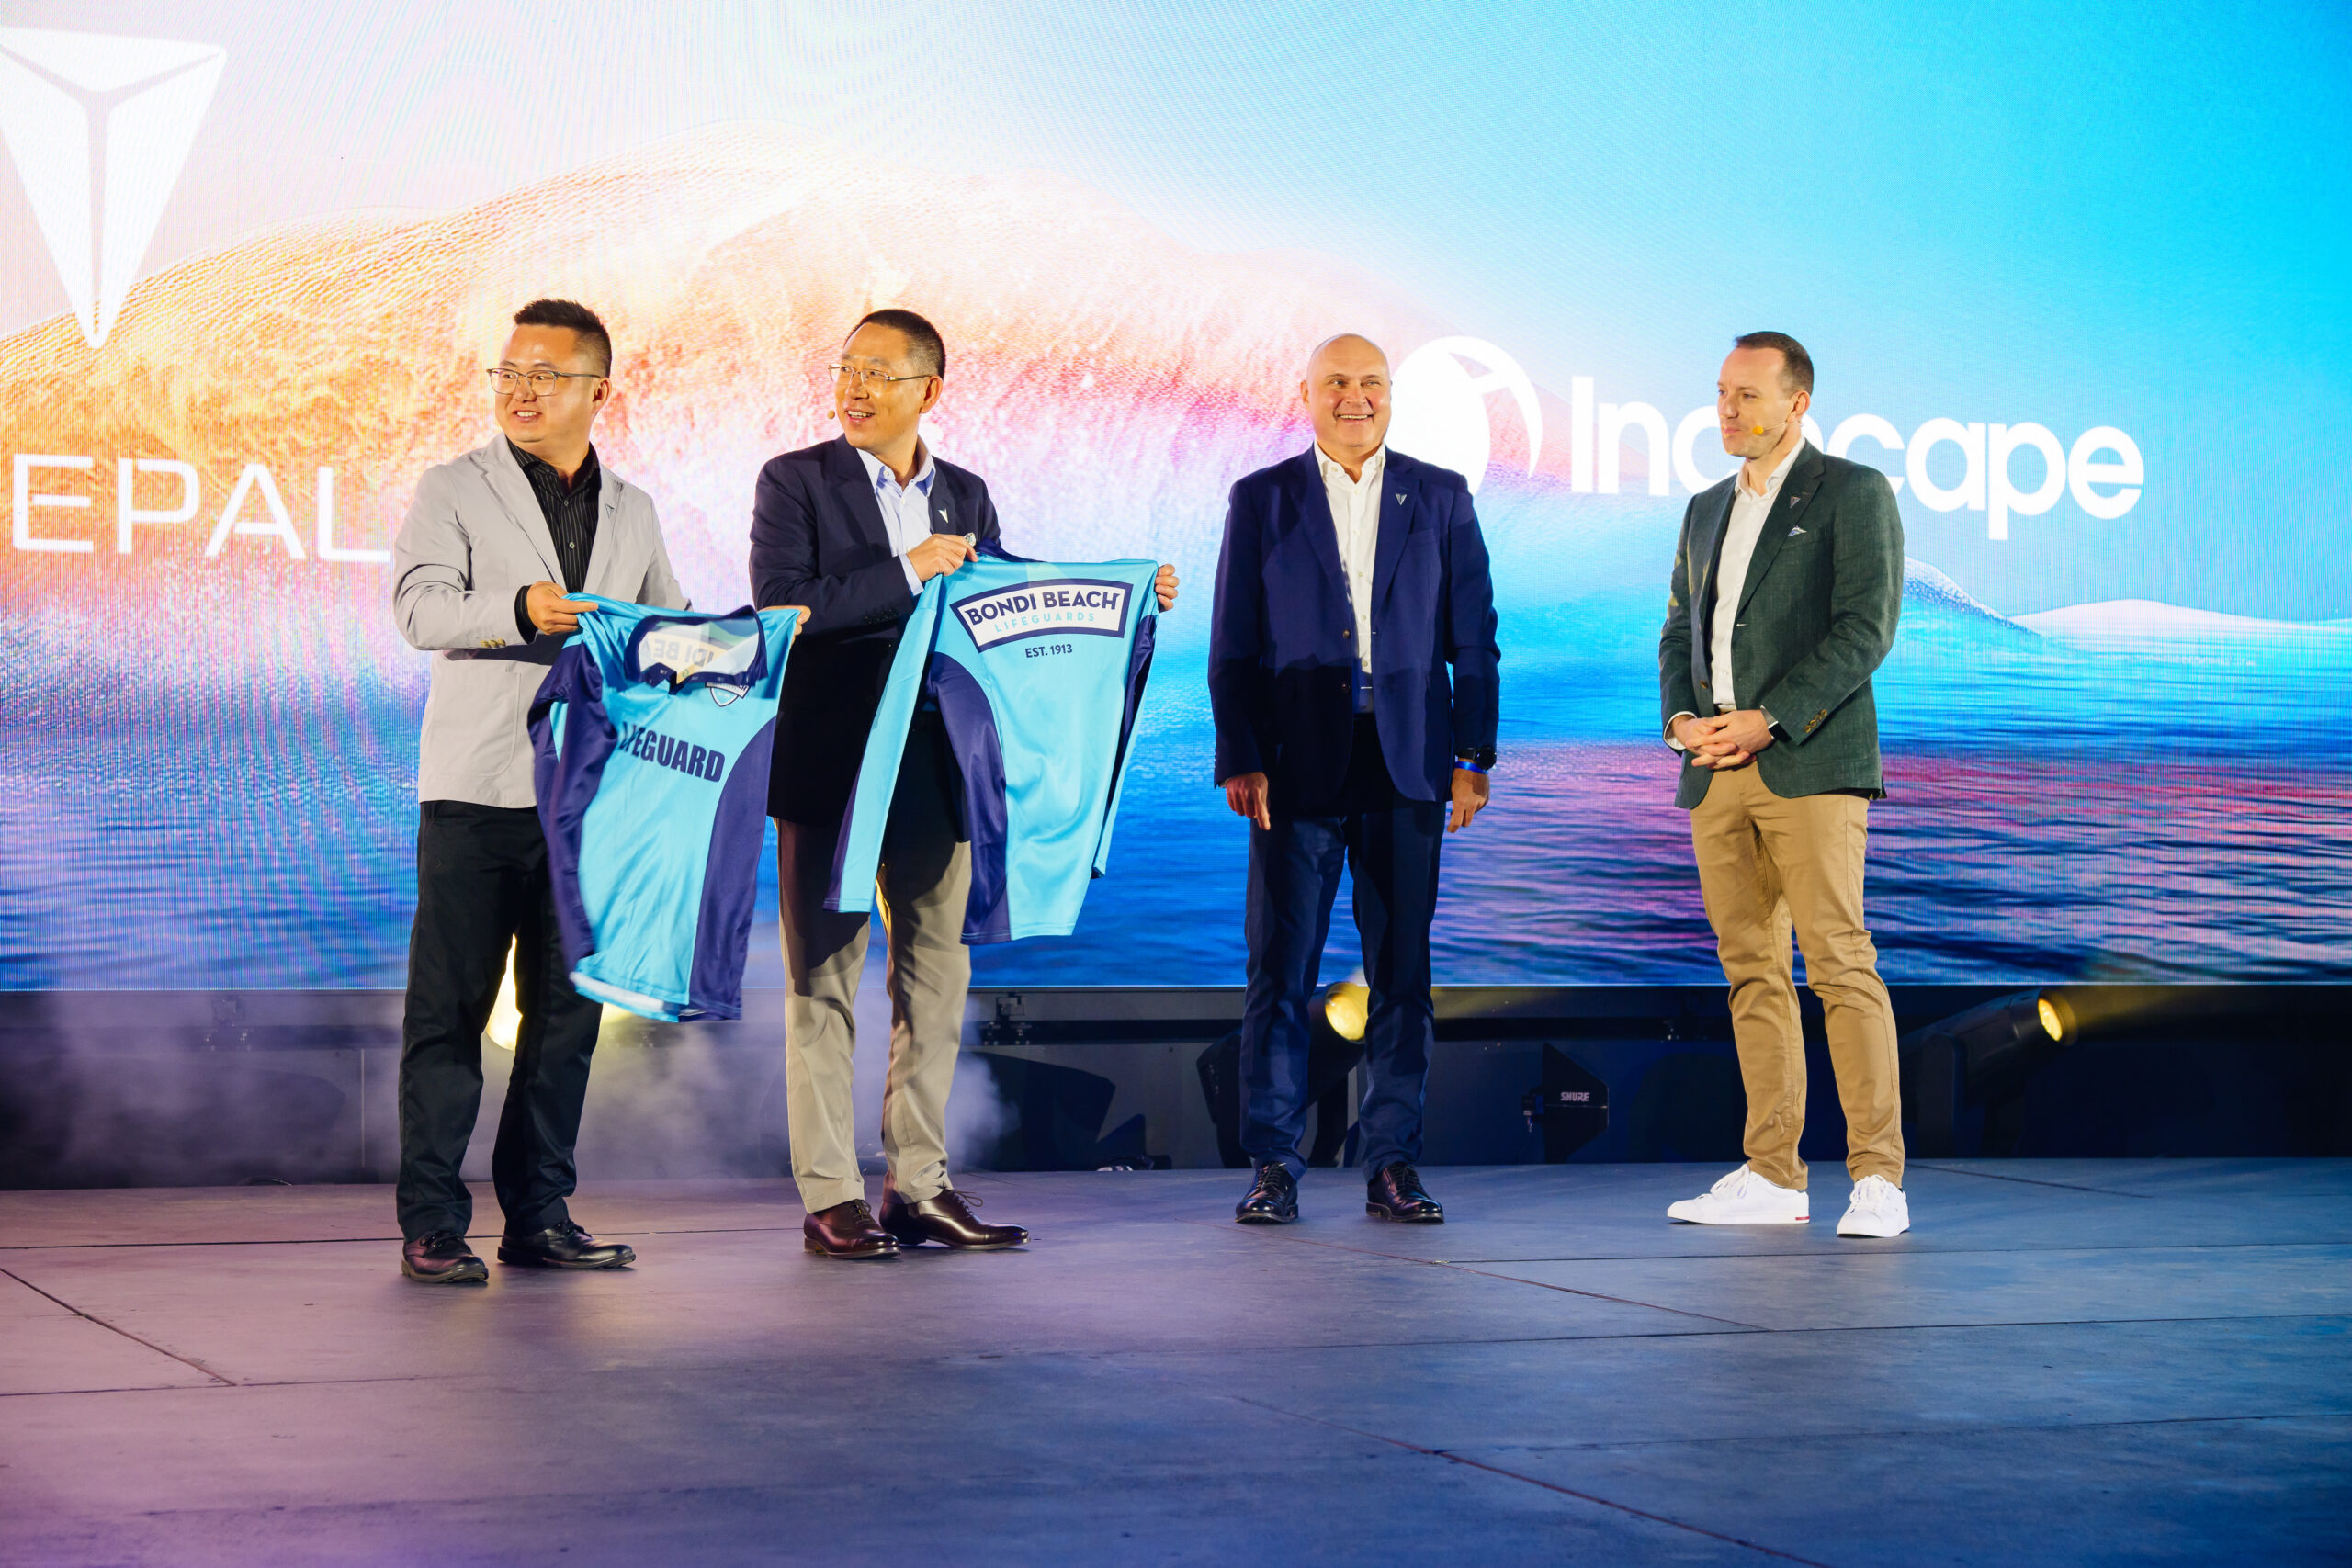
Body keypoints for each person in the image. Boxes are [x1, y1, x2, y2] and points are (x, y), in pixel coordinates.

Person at [750, 308, 1180, 1258]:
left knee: (934, 982)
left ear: (927, 391)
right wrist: (904, 571)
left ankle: (918, 1184)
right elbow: (784, 609)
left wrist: (1119, 595)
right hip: (834, 763)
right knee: (821, 981)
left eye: (877, 372)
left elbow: (999, 597)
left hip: (938, 767)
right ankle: (830, 1194)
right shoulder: (795, 481)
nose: (853, 388)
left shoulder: (968, 493)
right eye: (844, 369)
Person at [389, 299, 687, 1283]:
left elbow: (666, 631)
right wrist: (519, 608)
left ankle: (539, 1216)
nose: (520, 390)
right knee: (450, 1019)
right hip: (475, 792)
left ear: (598, 391)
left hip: (588, 800)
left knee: (565, 1026)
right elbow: (419, 609)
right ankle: (434, 1223)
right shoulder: (453, 487)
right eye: (508, 372)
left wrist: (734, 646)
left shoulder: (633, 509)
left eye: (545, 375)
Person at [1209, 333, 1498, 1225]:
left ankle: (1391, 1165)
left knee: (1401, 975)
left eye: (1370, 382)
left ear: (1390, 395)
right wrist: (1239, 753)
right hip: (1294, 770)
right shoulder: (1260, 499)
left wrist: (1472, 758)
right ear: (1306, 394)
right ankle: (1273, 1165)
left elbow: (1472, 640)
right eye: (1337, 382)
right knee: (1278, 973)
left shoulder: (1440, 497)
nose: (1355, 397)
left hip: (1408, 764)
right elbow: (1232, 645)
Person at [1657, 331, 1910, 1238]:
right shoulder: (1701, 510)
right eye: (1721, 393)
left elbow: (1864, 629)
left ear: (1796, 402)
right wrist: (1685, 725)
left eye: (1748, 396)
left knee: (1839, 964)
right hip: (1715, 768)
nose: (1728, 410)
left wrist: (1769, 717)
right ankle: (1774, 1175)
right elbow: (1682, 631)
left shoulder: (1851, 492)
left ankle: (1877, 1179)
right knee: (1751, 972)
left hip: (1804, 759)